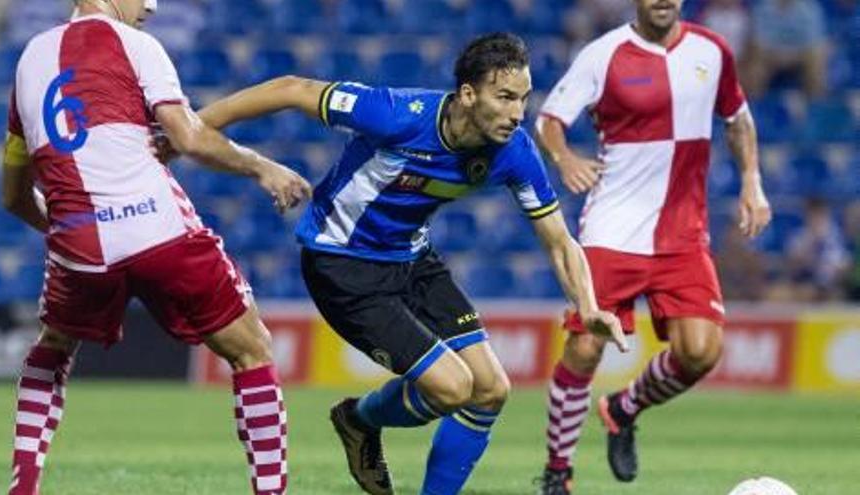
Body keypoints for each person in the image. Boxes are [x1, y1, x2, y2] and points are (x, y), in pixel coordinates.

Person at [196, 33, 627, 495]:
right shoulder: (396, 114)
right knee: (452, 388)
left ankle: (366, 431)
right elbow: (290, 88)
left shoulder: (514, 151)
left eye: (522, 99)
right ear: (468, 94)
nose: (517, 113)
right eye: (504, 97)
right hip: (343, 265)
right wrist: (192, 128)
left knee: (491, 390)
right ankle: (359, 420)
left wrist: (588, 305)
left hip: (413, 260)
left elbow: (559, 241)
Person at [2, 1, 310, 494]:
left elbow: (13, 196)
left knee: (52, 348)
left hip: (76, 240)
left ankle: (23, 487)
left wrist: (77, 230)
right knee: (252, 351)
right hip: (156, 231)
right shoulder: (136, 45)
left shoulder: (27, 61)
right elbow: (187, 138)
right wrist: (261, 167)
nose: (152, 5)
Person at [533, 1, 772, 493]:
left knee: (701, 353)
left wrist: (752, 181)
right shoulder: (603, 55)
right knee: (584, 346)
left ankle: (624, 407)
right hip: (612, 230)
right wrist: (564, 158)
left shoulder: (712, 50)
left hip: (682, 234)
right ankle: (558, 472)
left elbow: (738, 119)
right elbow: (548, 119)